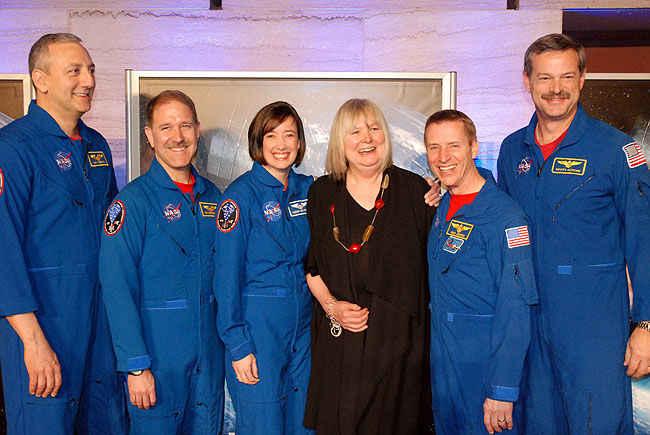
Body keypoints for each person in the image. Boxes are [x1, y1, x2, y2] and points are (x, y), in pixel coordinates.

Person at [497, 33, 650, 434]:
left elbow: (644, 240)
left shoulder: (616, 151)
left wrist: (646, 325)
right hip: (530, 327)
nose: (556, 89)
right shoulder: (513, 150)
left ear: (582, 79)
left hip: (594, 328)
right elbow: (498, 221)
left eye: (567, 76)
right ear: (527, 81)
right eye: (545, 78)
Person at [0, 33, 126, 435]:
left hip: (99, 325)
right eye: (74, 70)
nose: (87, 80)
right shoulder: (14, 147)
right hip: (44, 323)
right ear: (41, 79)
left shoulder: (96, 146)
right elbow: (3, 249)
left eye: (90, 69)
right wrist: (32, 342)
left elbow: (114, 234)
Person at [304, 98, 434, 434]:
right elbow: (312, 268)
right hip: (342, 342)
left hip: (400, 349)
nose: (368, 138)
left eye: (375, 129)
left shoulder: (416, 191)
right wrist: (332, 307)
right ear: (340, 141)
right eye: (356, 131)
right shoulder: (321, 193)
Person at [99, 90, 224, 434]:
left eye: (185, 125)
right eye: (166, 127)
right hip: (156, 363)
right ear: (150, 136)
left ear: (198, 131)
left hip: (208, 363)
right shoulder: (132, 204)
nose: (178, 137)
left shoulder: (214, 199)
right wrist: (136, 367)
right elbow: (117, 288)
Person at [425, 110, 537, 434]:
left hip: (485, 366)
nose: (443, 158)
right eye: (434, 147)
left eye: (453, 146)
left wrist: (502, 389)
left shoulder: (506, 216)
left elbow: (516, 308)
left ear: (474, 147)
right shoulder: (441, 206)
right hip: (444, 366)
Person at [214, 101, 314, 435]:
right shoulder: (240, 197)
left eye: (290, 135)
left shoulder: (309, 191)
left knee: (304, 423)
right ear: (258, 141)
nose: (282, 144)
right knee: (263, 425)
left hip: (303, 329)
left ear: (300, 143)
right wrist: (239, 346)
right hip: (258, 330)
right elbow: (225, 279)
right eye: (272, 135)